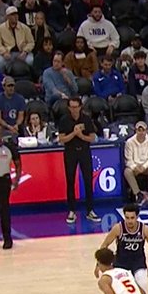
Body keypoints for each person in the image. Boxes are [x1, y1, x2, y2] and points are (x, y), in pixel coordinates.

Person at [99, 202, 148, 294]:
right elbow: (105, 245)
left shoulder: (145, 229)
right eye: (127, 218)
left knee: (142, 292)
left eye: (132, 218)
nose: (129, 221)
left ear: (137, 217)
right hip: (120, 263)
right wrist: (99, 263)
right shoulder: (118, 228)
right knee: (119, 292)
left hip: (138, 263)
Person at [56, 96, 100, 224]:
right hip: (70, 152)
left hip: (84, 152)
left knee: (88, 180)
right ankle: (72, 211)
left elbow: (92, 137)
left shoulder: (86, 119)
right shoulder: (64, 120)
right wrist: (74, 134)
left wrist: (81, 136)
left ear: (80, 107)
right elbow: (62, 139)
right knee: (70, 181)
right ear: (69, 108)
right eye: (72, 107)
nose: (74, 109)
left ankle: (90, 210)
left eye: (76, 107)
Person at [124, 121, 148, 205]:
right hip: (135, 167)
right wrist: (134, 167)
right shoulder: (129, 142)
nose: (141, 132)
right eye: (139, 130)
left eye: (143, 130)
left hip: (146, 166)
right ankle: (138, 194)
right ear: (136, 131)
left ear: (146, 131)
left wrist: (144, 166)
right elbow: (128, 159)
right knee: (127, 172)